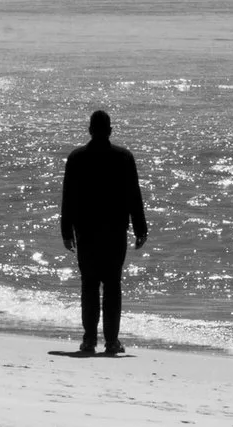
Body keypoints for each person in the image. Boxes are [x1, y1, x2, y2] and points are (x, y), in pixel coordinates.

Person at [58, 109, 148, 355]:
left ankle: (89, 340)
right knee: (112, 286)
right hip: (115, 232)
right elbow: (133, 196)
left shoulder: (76, 158)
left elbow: (69, 199)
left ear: (90, 130)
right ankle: (111, 341)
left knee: (88, 285)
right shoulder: (124, 158)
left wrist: (66, 232)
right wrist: (140, 228)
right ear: (110, 130)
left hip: (85, 232)